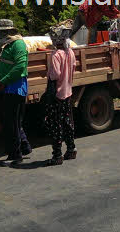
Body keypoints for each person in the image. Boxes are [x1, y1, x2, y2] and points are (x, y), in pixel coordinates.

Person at [0, 20, 32, 166]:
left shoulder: (18, 44)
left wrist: (4, 80)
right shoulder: (7, 45)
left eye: (1, 32)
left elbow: (20, 66)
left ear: (9, 31)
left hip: (15, 88)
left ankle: (15, 156)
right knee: (10, 122)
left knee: (12, 123)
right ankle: (24, 147)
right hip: (7, 88)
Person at [44, 25, 77, 166]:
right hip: (67, 92)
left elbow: (55, 74)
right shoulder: (70, 52)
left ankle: (57, 155)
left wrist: (50, 75)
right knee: (68, 121)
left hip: (57, 95)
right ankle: (71, 149)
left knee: (56, 124)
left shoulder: (56, 55)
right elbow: (73, 68)